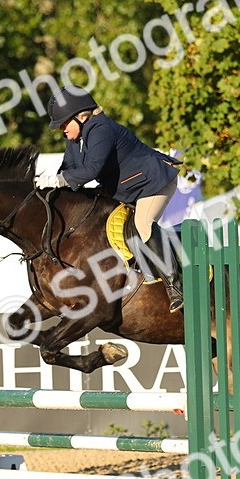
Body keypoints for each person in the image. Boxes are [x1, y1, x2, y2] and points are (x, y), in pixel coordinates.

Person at [36, 86, 184, 311]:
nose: (63, 129)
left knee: (143, 225)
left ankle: (176, 287)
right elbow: (68, 169)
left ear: (81, 116)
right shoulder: (74, 138)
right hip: (128, 188)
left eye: (65, 123)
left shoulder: (100, 128)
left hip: (154, 181)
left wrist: (56, 181)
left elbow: (90, 171)